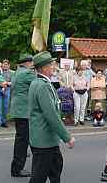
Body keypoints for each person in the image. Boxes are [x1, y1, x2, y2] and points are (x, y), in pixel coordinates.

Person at [28, 51, 75, 183]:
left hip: (48, 140)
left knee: (56, 169)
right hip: (44, 140)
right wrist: (67, 137)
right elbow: (51, 115)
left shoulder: (43, 83)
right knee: (38, 177)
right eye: (51, 64)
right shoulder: (42, 86)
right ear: (44, 68)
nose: (54, 66)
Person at [10, 54, 36, 178]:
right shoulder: (27, 73)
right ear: (27, 63)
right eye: (32, 62)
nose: (33, 65)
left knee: (21, 139)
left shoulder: (17, 72)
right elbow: (39, 82)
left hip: (18, 109)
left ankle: (16, 167)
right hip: (24, 111)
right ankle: (17, 169)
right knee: (23, 141)